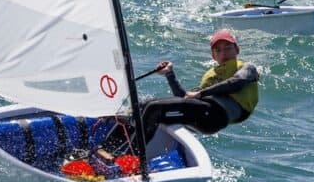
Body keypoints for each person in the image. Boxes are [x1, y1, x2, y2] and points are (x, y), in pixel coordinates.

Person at [105, 30, 259, 151]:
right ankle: (106, 149)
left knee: (154, 109)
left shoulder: (248, 68)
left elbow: (236, 82)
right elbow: (183, 97)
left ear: (237, 49)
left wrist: (201, 93)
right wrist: (169, 74)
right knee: (143, 105)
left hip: (215, 117)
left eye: (228, 48)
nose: (223, 53)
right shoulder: (211, 75)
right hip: (202, 111)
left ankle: (131, 159)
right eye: (218, 50)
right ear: (213, 56)